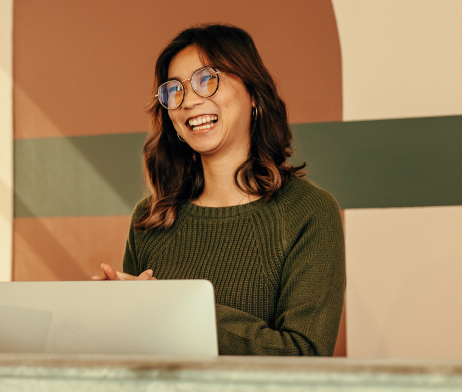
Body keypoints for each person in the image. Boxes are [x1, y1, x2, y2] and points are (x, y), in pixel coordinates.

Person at [94, 24, 345, 356]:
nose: (189, 101)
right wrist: (105, 316)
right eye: (174, 90)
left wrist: (175, 307)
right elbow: (136, 355)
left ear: (253, 94)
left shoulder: (309, 212)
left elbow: (304, 356)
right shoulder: (151, 218)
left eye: (207, 80)